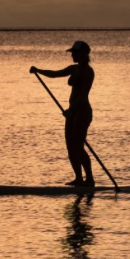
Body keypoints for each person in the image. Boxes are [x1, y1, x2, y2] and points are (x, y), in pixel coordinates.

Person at [30, 40, 95, 186]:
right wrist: (38, 71)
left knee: (79, 146)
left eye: (75, 53)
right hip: (72, 113)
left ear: (83, 54)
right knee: (71, 147)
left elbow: (83, 95)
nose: (72, 55)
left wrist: (72, 111)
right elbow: (54, 74)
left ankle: (89, 179)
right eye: (72, 53)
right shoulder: (74, 69)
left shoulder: (88, 72)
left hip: (82, 113)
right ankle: (78, 179)